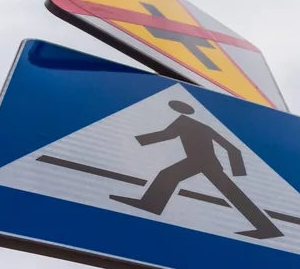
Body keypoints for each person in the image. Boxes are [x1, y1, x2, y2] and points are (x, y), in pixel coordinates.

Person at [110, 100, 282, 239]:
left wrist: (134, 139)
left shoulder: (183, 122)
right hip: (202, 161)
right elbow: (232, 149)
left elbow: (166, 135)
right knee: (169, 175)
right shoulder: (203, 126)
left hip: (203, 161)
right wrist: (238, 171)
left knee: (230, 193)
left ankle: (267, 228)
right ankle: (151, 204)